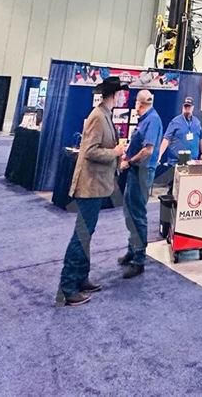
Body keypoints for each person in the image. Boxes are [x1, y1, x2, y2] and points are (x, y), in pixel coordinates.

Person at [56, 76, 127, 306]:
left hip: (97, 185)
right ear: (114, 95)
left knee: (87, 233)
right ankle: (68, 287)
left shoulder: (105, 115)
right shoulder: (98, 117)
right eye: (121, 93)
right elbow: (90, 151)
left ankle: (80, 277)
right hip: (90, 185)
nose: (124, 97)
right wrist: (115, 152)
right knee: (82, 235)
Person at [118, 89, 163, 278]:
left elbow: (148, 151)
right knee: (129, 212)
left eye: (136, 103)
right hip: (135, 172)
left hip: (142, 172)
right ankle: (132, 249)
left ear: (140, 103)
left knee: (137, 214)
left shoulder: (152, 120)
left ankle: (139, 259)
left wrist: (129, 162)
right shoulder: (145, 120)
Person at [156, 97, 202, 192]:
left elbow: (201, 138)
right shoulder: (175, 122)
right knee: (174, 190)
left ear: (193, 108)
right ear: (182, 107)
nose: (187, 108)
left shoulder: (197, 123)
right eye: (185, 106)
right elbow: (166, 139)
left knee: (188, 190)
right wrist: (159, 155)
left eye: (189, 106)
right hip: (176, 163)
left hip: (192, 163)